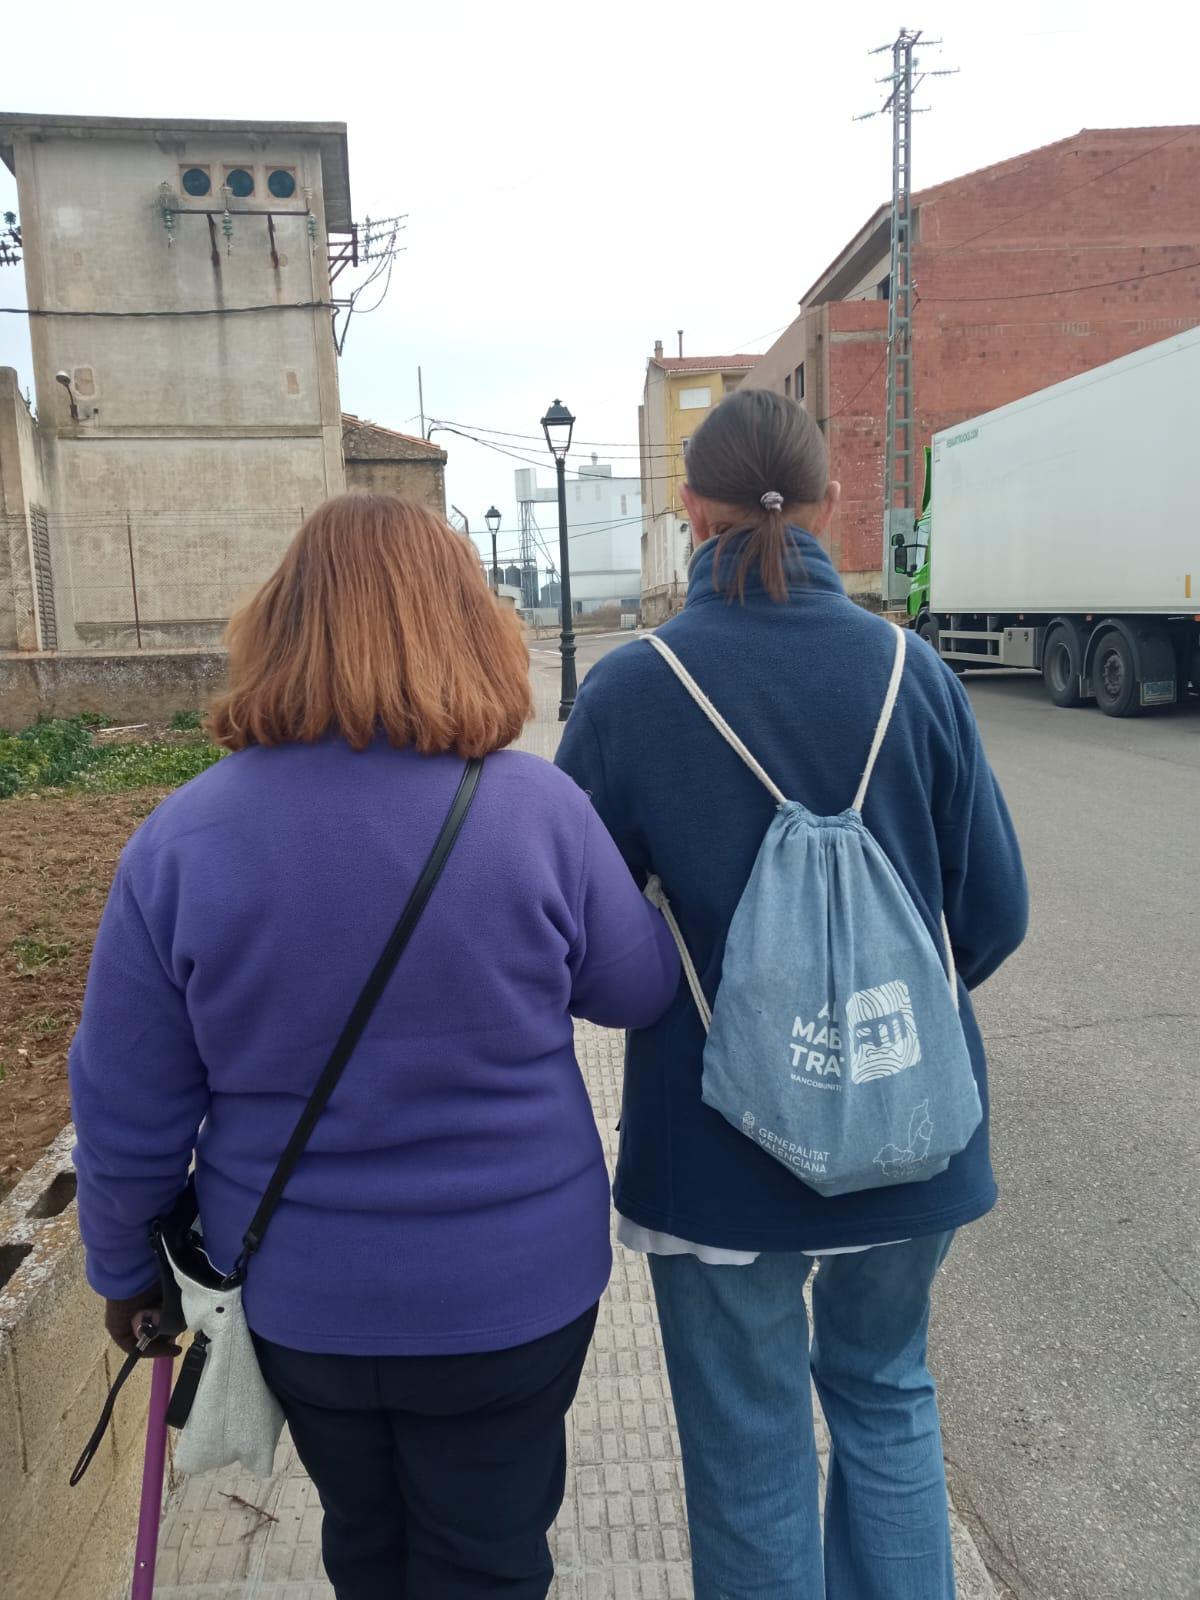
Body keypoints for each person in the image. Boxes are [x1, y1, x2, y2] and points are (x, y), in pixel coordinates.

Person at [70, 493, 679, 1600]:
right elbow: (637, 991)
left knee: (362, 1536)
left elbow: (124, 1109)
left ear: (277, 631)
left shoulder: (181, 842)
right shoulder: (539, 810)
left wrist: (123, 1273)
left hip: (301, 1296)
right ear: (469, 628)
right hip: (514, 1287)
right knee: (488, 1554)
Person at [556, 388, 1027, 1600]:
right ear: (830, 502)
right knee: (887, 1393)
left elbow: (577, 934)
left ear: (691, 510)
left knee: (749, 1443)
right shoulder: (915, 674)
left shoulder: (631, 690)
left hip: (715, 1152)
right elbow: (994, 915)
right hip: (912, 1132)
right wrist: (870, 1019)